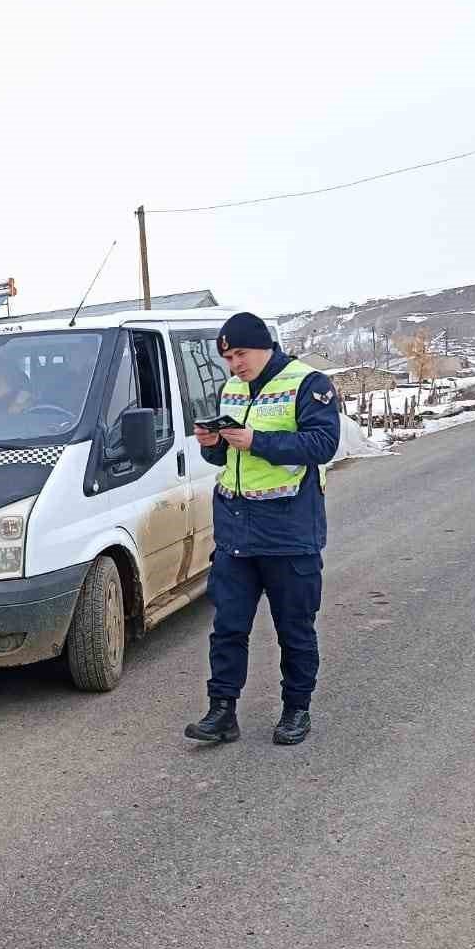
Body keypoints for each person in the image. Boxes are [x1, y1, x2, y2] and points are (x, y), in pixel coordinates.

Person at [185, 312, 341, 747]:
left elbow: (323, 444)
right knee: (228, 628)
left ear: (264, 346)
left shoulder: (308, 383)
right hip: (236, 531)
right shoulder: (232, 389)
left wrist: (257, 441)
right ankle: (222, 712)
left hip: (289, 531)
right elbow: (227, 458)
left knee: (294, 628)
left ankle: (296, 709)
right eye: (228, 358)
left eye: (241, 354)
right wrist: (213, 445)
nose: (235, 364)